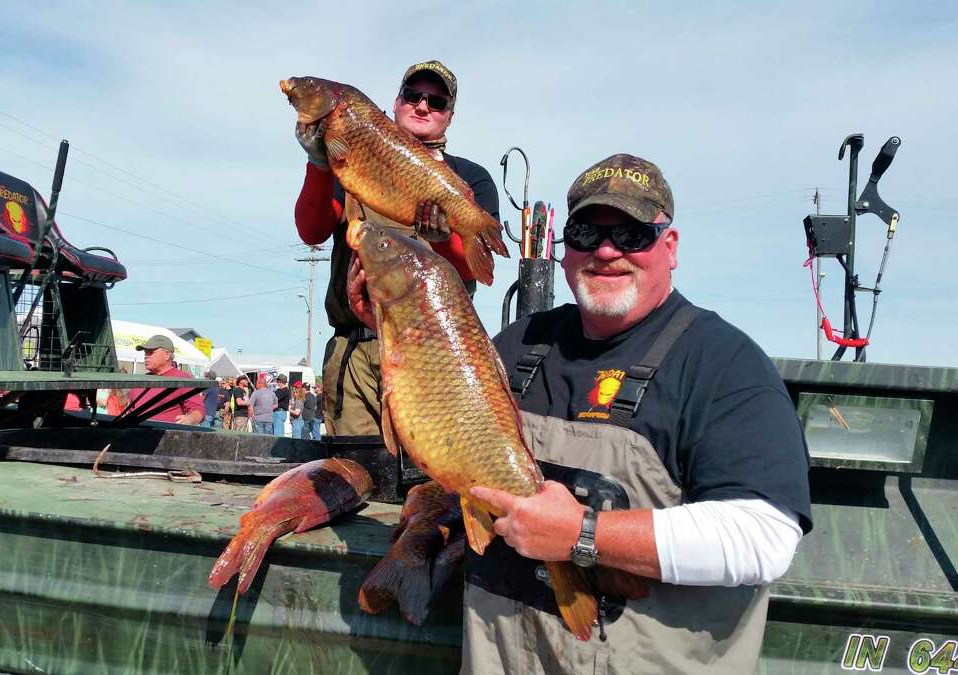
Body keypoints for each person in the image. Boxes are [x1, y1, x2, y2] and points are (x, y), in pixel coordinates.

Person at [460, 154, 813, 673]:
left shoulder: (722, 363)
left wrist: (584, 533)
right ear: (564, 251)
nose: (606, 251)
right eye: (585, 231)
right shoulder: (519, 344)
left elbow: (763, 537)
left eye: (631, 234)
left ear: (668, 247)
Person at [293, 60, 499, 436]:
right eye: (413, 95)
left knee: (435, 476)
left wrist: (443, 239)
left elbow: (473, 272)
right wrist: (318, 165)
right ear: (397, 100)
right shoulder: (353, 154)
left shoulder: (470, 178)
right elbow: (313, 231)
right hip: (355, 350)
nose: (422, 106)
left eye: (436, 102)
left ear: (449, 117)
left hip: (434, 357)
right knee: (354, 474)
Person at [126, 335, 204, 425]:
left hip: (165, 436)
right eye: (145, 353)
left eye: (151, 352)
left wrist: (190, 419)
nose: (146, 356)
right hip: (134, 434)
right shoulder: (141, 380)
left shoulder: (182, 379)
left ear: (167, 355)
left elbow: (198, 410)